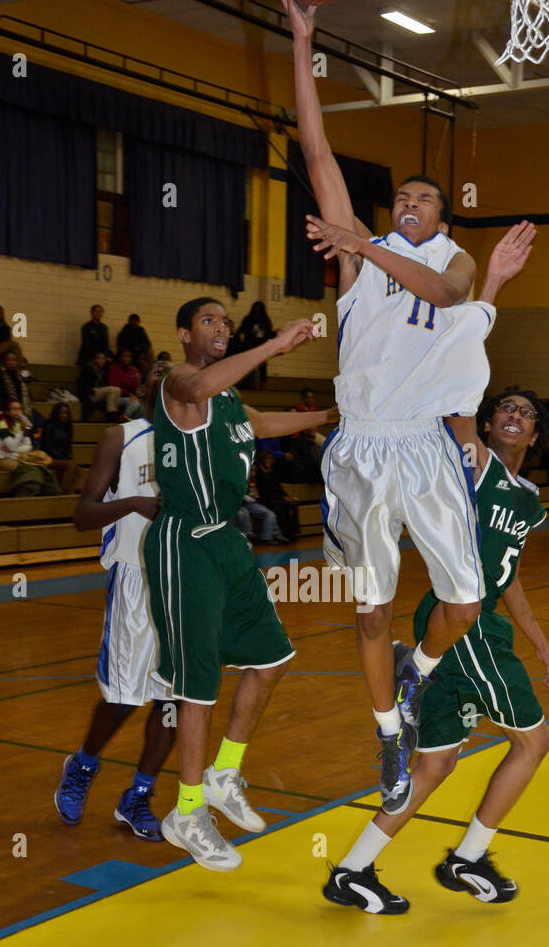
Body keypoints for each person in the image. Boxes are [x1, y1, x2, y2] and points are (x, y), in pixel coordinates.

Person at [279, 0, 535, 814]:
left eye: (423, 199)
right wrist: (299, 35)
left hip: (424, 444)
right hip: (361, 445)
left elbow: (451, 294)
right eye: (402, 199)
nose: (410, 205)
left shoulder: (451, 264)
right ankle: (388, 727)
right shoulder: (359, 257)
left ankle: (417, 675)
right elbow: (317, 155)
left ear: (442, 215)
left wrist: (363, 243)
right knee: (368, 611)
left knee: (461, 599)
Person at [323, 387, 549, 914]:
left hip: (478, 619)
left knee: (436, 766)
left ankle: (351, 870)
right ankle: (469, 858)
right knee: (534, 743)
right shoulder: (472, 465)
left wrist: (544, 646)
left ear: (536, 435)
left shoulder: (528, 498)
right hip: (464, 624)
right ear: (486, 423)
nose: (513, 415)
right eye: (505, 407)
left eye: (525, 412)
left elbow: (511, 580)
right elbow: (457, 410)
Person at [142, 296, 336, 869]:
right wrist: (276, 343)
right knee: (198, 686)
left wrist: (328, 417)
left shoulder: (228, 399)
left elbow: (263, 424)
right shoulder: (179, 383)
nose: (221, 327)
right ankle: (188, 810)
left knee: (272, 656)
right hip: (184, 543)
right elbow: (197, 389)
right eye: (209, 321)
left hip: (227, 542)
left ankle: (225, 772)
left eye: (225, 321)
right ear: (184, 334)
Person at [54, 362, 176, 840]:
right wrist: (131, 503)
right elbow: (82, 515)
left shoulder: (200, 441)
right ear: (144, 388)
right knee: (124, 698)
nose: (167, 380)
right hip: (136, 579)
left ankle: (138, 798)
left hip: (184, 584)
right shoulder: (119, 437)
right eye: (158, 374)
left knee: (174, 703)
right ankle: (83, 765)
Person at [0, 351, 43, 440]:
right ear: (4, 362)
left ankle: (35, 440)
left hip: (22, 408)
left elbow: (27, 396)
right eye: (9, 360)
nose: (12, 362)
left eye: (14, 360)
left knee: (40, 421)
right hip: (9, 410)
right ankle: (28, 440)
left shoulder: (19, 377)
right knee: (25, 423)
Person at [256, 450, 300, 540]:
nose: (269, 461)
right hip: (265, 499)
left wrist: (287, 497)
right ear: (262, 460)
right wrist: (282, 498)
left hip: (277, 498)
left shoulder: (273, 472)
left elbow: (279, 488)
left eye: (270, 459)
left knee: (292, 504)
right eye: (267, 459)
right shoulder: (258, 474)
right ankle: (282, 533)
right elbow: (263, 491)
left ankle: (292, 531)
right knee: (280, 506)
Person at [41, 401, 83, 493]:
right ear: (56, 413)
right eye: (61, 413)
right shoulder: (49, 425)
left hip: (61, 458)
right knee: (70, 466)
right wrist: (65, 459)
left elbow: (68, 447)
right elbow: (48, 447)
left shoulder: (68, 427)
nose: (64, 415)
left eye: (66, 413)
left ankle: (71, 489)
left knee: (79, 470)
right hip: (48, 458)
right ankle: (65, 491)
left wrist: (69, 458)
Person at [235, 301, 275, 387]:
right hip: (249, 345)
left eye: (259, 309)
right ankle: (245, 383)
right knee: (247, 365)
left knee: (262, 366)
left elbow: (269, 333)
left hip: (262, 346)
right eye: (256, 308)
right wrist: (239, 341)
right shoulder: (248, 319)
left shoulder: (266, 320)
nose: (257, 310)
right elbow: (240, 330)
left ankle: (262, 384)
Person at [77, 351, 121, 421]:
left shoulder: (103, 371)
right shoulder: (88, 369)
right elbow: (81, 384)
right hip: (89, 394)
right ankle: (111, 414)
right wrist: (91, 389)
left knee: (117, 390)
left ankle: (113, 412)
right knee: (113, 390)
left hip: (98, 393)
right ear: (94, 359)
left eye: (103, 359)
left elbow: (104, 384)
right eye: (99, 358)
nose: (101, 361)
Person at [107, 349, 144, 417]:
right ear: (120, 358)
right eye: (124, 357)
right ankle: (123, 420)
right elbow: (114, 386)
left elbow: (136, 387)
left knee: (142, 407)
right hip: (116, 397)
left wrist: (136, 378)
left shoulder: (132, 369)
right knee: (135, 403)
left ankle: (132, 424)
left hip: (130, 397)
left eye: (129, 357)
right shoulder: (114, 367)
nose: (127, 359)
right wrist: (129, 394)